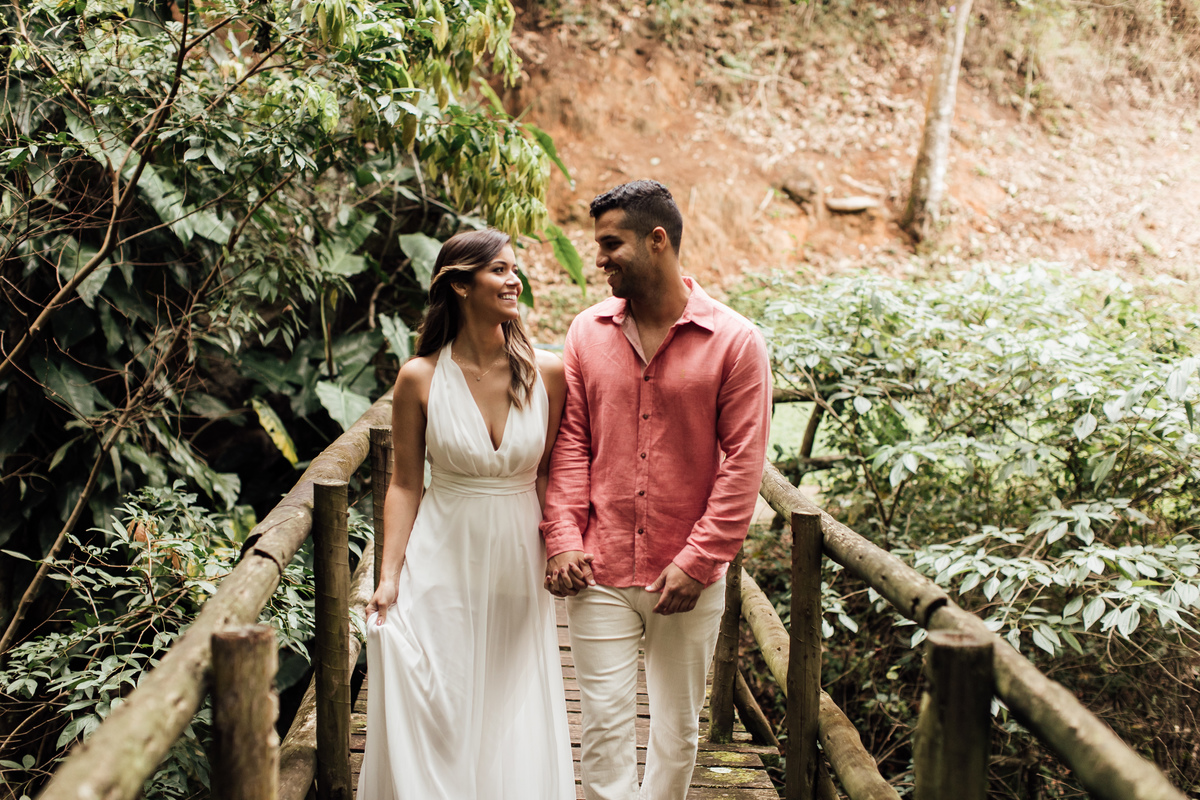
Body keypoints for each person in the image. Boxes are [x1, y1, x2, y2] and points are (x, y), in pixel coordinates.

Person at [541, 180, 772, 800]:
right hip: (601, 565)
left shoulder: (736, 341)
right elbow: (569, 444)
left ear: (657, 240)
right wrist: (562, 537)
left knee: (677, 733)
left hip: (688, 573)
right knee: (604, 730)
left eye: (611, 244)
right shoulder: (586, 333)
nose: (599, 259)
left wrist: (698, 562)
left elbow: (744, 464)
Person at [358, 228, 574, 800]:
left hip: (517, 557)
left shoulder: (547, 372)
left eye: (514, 269)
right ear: (459, 285)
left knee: (504, 702)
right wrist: (388, 576)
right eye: (499, 270)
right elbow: (405, 485)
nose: (514, 280)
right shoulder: (420, 377)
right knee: (440, 693)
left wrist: (560, 546)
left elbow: (551, 472)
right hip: (442, 550)